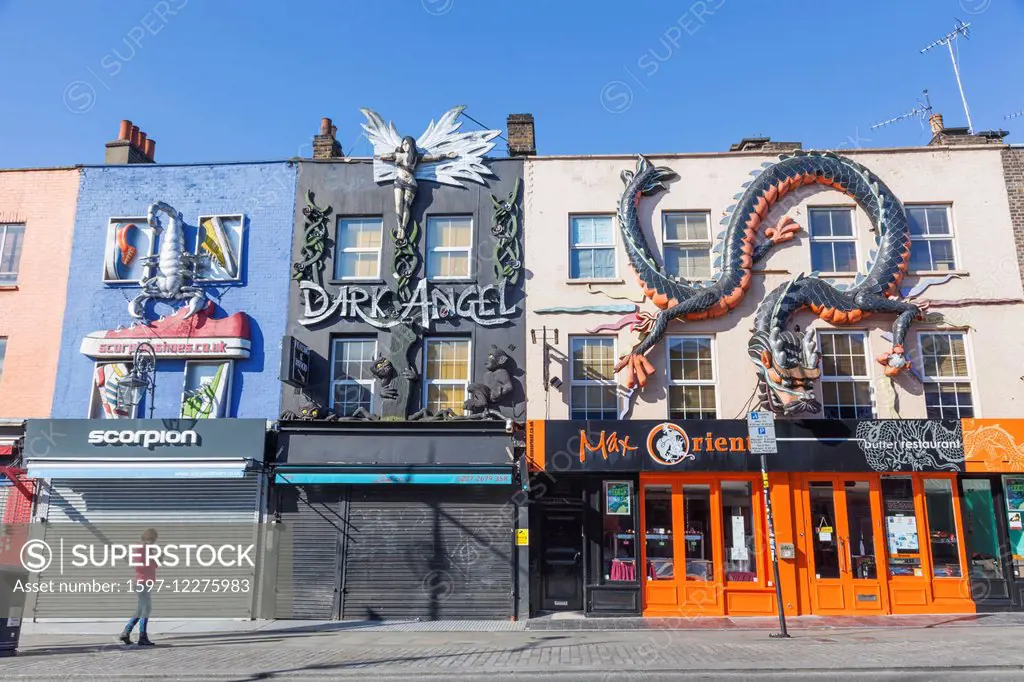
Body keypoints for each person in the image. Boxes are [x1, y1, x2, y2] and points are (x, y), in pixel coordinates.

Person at [119, 528, 158, 646]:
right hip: (142, 583)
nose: (153, 542)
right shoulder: (141, 548)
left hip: (145, 583)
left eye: (153, 540)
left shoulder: (146, 549)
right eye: (151, 539)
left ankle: (126, 632)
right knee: (146, 609)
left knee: (141, 610)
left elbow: (153, 565)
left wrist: (156, 558)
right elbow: (138, 566)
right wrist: (150, 561)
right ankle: (142, 637)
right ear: (146, 538)